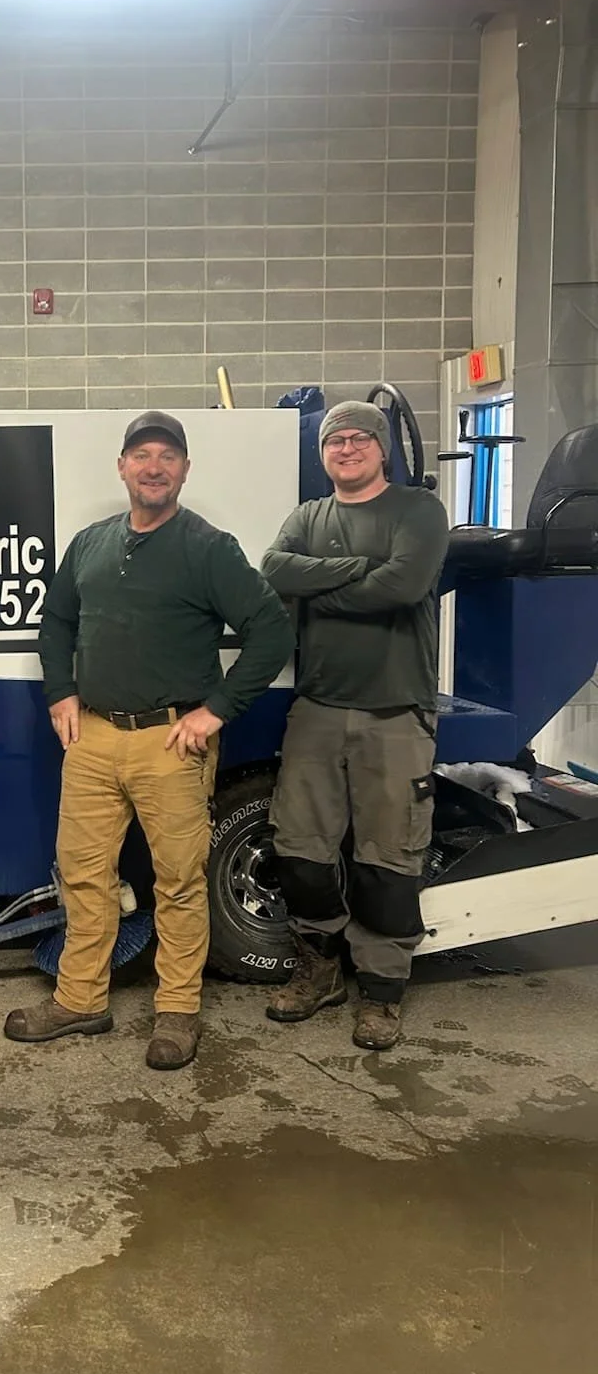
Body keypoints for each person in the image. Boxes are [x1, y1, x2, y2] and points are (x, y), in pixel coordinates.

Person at [5, 411, 293, 1070]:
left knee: (180, 881)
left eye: (168, 455)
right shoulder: (90, 544)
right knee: (82, 872)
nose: (154, 466)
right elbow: (55, 621)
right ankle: (81, 1000)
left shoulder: (208, 548)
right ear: (122, 467)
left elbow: (272, 631)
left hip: (172, 744)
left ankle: (177, 1012)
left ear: (185, 470)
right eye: (142, 455)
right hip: (95, 740)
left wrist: (215, 711)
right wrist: (61, 693)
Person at [261, 400, 449, 1051]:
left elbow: (401, 587)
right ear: (322, 455)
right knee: (299, 848)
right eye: (333, 441)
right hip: (318, 707)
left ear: (383, 449)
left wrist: (318, 586)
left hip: (396, 711)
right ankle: (321, 971)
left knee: (388, 859)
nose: (345, 448)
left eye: (358, 439)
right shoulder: (309, 516)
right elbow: (276, 569)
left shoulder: (418, 511)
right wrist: (354, 573)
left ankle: (381, 992)